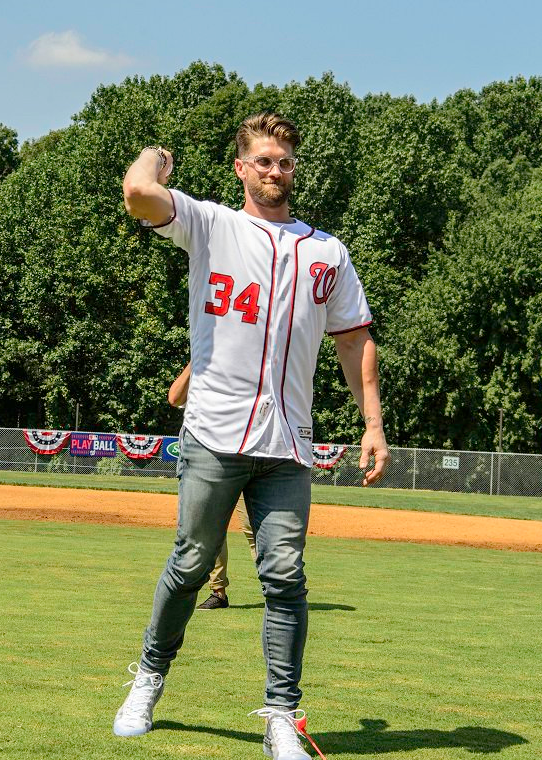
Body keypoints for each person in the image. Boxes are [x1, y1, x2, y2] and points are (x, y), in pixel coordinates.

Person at [114, 112, 390, 760]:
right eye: (263, 160)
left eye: (285, 161)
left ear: (295, 169)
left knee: (286, 577)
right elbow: (137, 193)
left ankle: (281, 718)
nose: (275, 171)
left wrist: (373, 424)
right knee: (188, 566)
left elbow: (354, 341)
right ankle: (149, 680)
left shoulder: (326, 252)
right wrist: (159, 152)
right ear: (241, 168)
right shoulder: (212, 226)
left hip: (288, 443)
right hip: (214, 433)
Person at [169, 362, 259, 611]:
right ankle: (218, 592)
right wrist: (197, 358)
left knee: (256, 529)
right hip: (209, 464)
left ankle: (276, 591)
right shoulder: (203, 376)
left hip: (247, 458)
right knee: (210, 534)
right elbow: (175, 397)